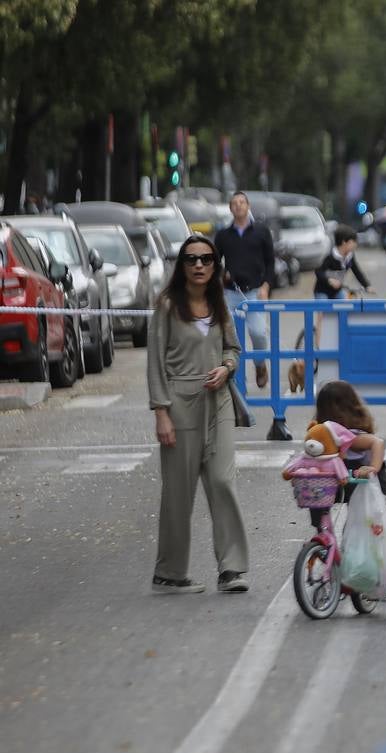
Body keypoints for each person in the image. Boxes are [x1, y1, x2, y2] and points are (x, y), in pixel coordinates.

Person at [147, 233, 250, 594]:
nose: (199, 265)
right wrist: (162, 412)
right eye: (191, 259)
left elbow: (233, 348)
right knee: (178, 492)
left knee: (223, 481)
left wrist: (226, 366)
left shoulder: (218, 302)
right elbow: (155, 364)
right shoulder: (166, 307)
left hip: (218, 401)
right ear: (182, 265)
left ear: (214, 264)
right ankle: (169, 574)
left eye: (206, 259)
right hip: (180, 405)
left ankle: (232, 569)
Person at [299, 380, 386, 528]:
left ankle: (340, 538)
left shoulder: (349, 436)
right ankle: (323, 535)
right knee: (317, 493)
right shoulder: (324, 436)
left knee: (359, 526)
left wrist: (373, 467)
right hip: (344, 479)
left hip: (367, 480)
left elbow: (377, 443)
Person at [215, 191, 275, 389]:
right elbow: (215, 263)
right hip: (231, 292)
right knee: (233, 337)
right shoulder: (223, 235)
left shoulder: (261, 231)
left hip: (254, 291)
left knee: (258, 332)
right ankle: (237, 380)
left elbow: (270, 262)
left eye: (242, 202)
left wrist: (266, 286)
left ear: (248, 206)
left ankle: (260, 365)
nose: (238, 206)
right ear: (230, 208)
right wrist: (222, 274)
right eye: (234, 203)